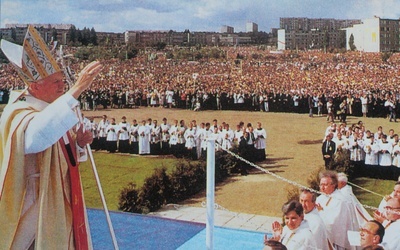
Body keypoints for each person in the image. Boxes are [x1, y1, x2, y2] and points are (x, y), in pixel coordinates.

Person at [0, 25, 102, 249]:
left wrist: (79, 144)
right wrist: (76, 90)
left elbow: (62, 152)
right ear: (35, 86)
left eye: (63, 81)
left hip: (58, 197)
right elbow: (37, 138)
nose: (62, 85)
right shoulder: (18, 112)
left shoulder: (52, 108)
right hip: (29, 200)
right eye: (56, 81)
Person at [316, 170, 358, 250]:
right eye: (321, 184)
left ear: (333, 185)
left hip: (337, 242)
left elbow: (334, 223)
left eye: (325, 185)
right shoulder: (320, 198)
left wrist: (321, 211)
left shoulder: (340, 200)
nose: (322, 187)